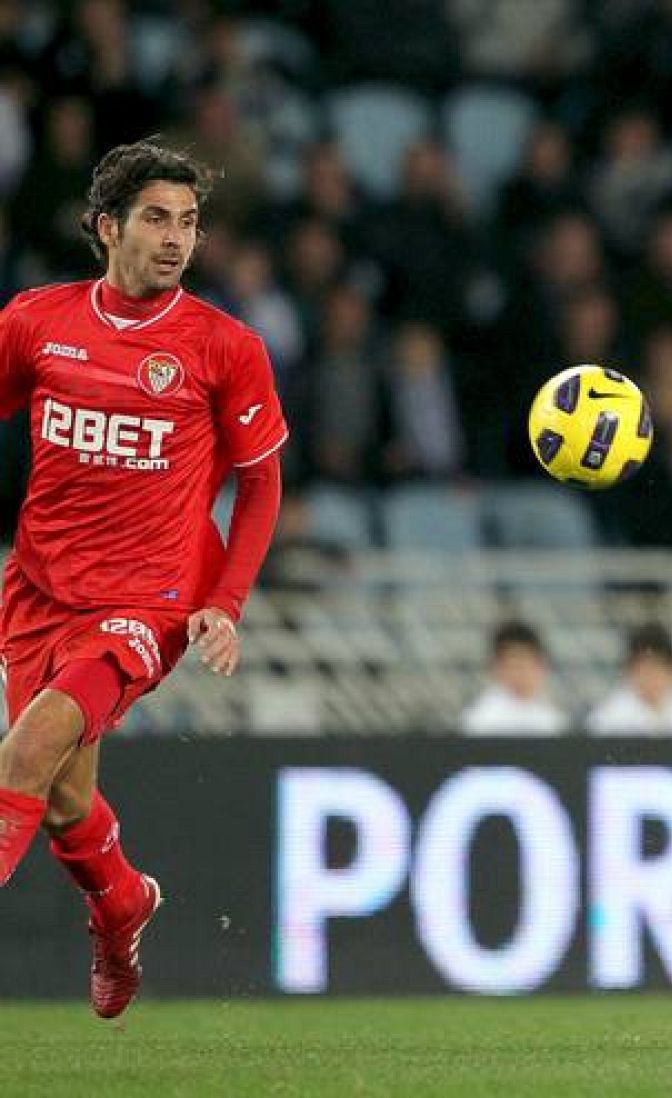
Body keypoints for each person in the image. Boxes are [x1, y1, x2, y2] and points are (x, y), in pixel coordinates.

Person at [0, 140, 287, 1018]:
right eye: (157, 218)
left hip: (148, 603)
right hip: (39, 591)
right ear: (106, 226)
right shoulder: (34, 324)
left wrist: (225, 603)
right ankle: (123, 904)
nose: (176, 239)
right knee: (60, 801)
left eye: (189, 222)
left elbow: (263, 480)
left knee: (26, 752)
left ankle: (118, 903)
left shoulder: (222, 347)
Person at [587, 622, 672, 736]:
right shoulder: (606, 721)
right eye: (645, 669)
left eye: (659, 669)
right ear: (630, 670)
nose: (652, 678)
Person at [460, 620, 568, 736]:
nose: (524, 674)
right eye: (516, 666)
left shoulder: (553, 719)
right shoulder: (479, 720)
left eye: (530, 664)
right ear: (497, 669)